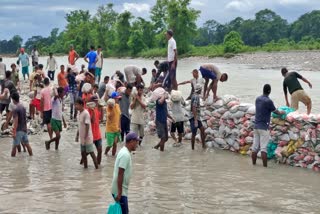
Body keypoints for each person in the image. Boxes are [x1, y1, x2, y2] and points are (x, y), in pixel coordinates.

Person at [252, 84, 284, 167]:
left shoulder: (257, 99)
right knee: (263, 149)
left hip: (256, 126)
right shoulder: (268, 101)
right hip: (264, 127)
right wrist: (282, 113)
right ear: (269, 91)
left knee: (255, 147)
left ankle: (254, 164)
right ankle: (265, 167)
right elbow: (275, 111)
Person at [111, 132, 140, 214]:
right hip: (120, 191)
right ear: (131, 142)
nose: (137, 144)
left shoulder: (125, 152)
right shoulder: (125, 155)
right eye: (136, 142)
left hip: (120, 190)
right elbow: (120, 174)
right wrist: (120, 193)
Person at [75, 98, 98, 169]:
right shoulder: (79, 113)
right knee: (83, 154)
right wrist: (77, 135)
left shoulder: (86, 113)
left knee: (91, 153)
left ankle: (97, 168)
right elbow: (80, 125)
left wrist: (85, 136)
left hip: (87, 137)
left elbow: (87, 125)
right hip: (82, 138)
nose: (75, 106)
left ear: (81, 105)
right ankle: (85, 168)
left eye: (77, 105)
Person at [11, 92, 33, 157]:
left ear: (13, 100)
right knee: (27, 145)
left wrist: (14, 132)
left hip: (18, 130)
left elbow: (16, 122)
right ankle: (31, 157)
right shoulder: (23, 107)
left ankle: (12, 161)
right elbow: (24, 119)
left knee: (14, 146)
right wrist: (26, 129)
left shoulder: (15, 109)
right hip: (24, 129)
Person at [189, 84, 206, 150]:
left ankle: (203, 146)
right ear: (199, 90)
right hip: (194, 117)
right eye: (201, 89)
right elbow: (193, 107)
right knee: (194, 133)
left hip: (196, 117)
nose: (201, 90)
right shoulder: (196, 97)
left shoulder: (193, 95)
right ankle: (192, 149)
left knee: (202, 130)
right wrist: (195, 119)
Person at [105, 92, 122, 156]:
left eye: (118, 98)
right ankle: (105, 153)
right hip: (110, 129)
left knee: (115, 144)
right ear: (113, 99)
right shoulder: (109, 107)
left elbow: (119, 116)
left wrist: (120, 127)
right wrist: (111, 108)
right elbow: (109, 116)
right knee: (110, 145)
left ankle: (113, 157)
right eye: (117, 98)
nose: (118, 100)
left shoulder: (117, 105)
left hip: (116, 128)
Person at [87, 95, 102, 164]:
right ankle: (82, 161)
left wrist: (101, 109)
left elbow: (101, 119)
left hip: (97, 134)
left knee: (100, 150)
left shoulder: (96, 109)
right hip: (91, 134)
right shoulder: (88, 111)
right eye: (95, 101)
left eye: (96, 101)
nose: (96, 102)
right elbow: (92, 121)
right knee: (87, 152)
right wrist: (92, 111)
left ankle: (98, 165)